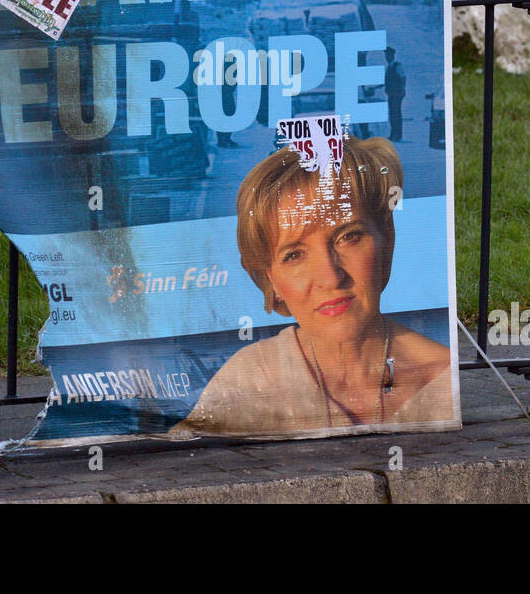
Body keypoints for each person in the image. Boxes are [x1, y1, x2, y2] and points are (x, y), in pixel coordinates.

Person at [170, 136, 454, 436]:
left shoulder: (443, 379)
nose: (330, 277)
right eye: (294, 255)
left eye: (348, 237)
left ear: (386, 237)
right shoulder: (247, 381)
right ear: (270, 279)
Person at [384, 47, 406, 141]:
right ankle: (393, 134)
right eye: (386, 56)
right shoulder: (388, 67)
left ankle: (398, 135)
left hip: (397, 93)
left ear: (392, 56)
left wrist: (403, 89)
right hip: (391, 93)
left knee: (396, 114)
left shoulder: (397, 66)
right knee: (392, 114)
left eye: (388, 55)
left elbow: (403, 78)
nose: (387, 57)